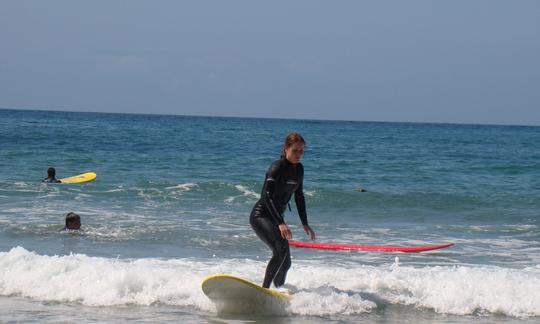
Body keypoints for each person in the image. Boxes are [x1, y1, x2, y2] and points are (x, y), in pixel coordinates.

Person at [250, 132, 316, 289]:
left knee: (286, 261)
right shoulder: (277, 167)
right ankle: (264, 289)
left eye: (301, 151)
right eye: (295, 150)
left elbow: (299, 196)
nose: (299, 154)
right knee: (280, 250)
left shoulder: (299, 169)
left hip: (276, 217)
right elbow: (266, 196)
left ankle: (278, 290)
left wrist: (305, 223)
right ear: (286, 148)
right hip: (261, 216)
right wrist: (280, 222)